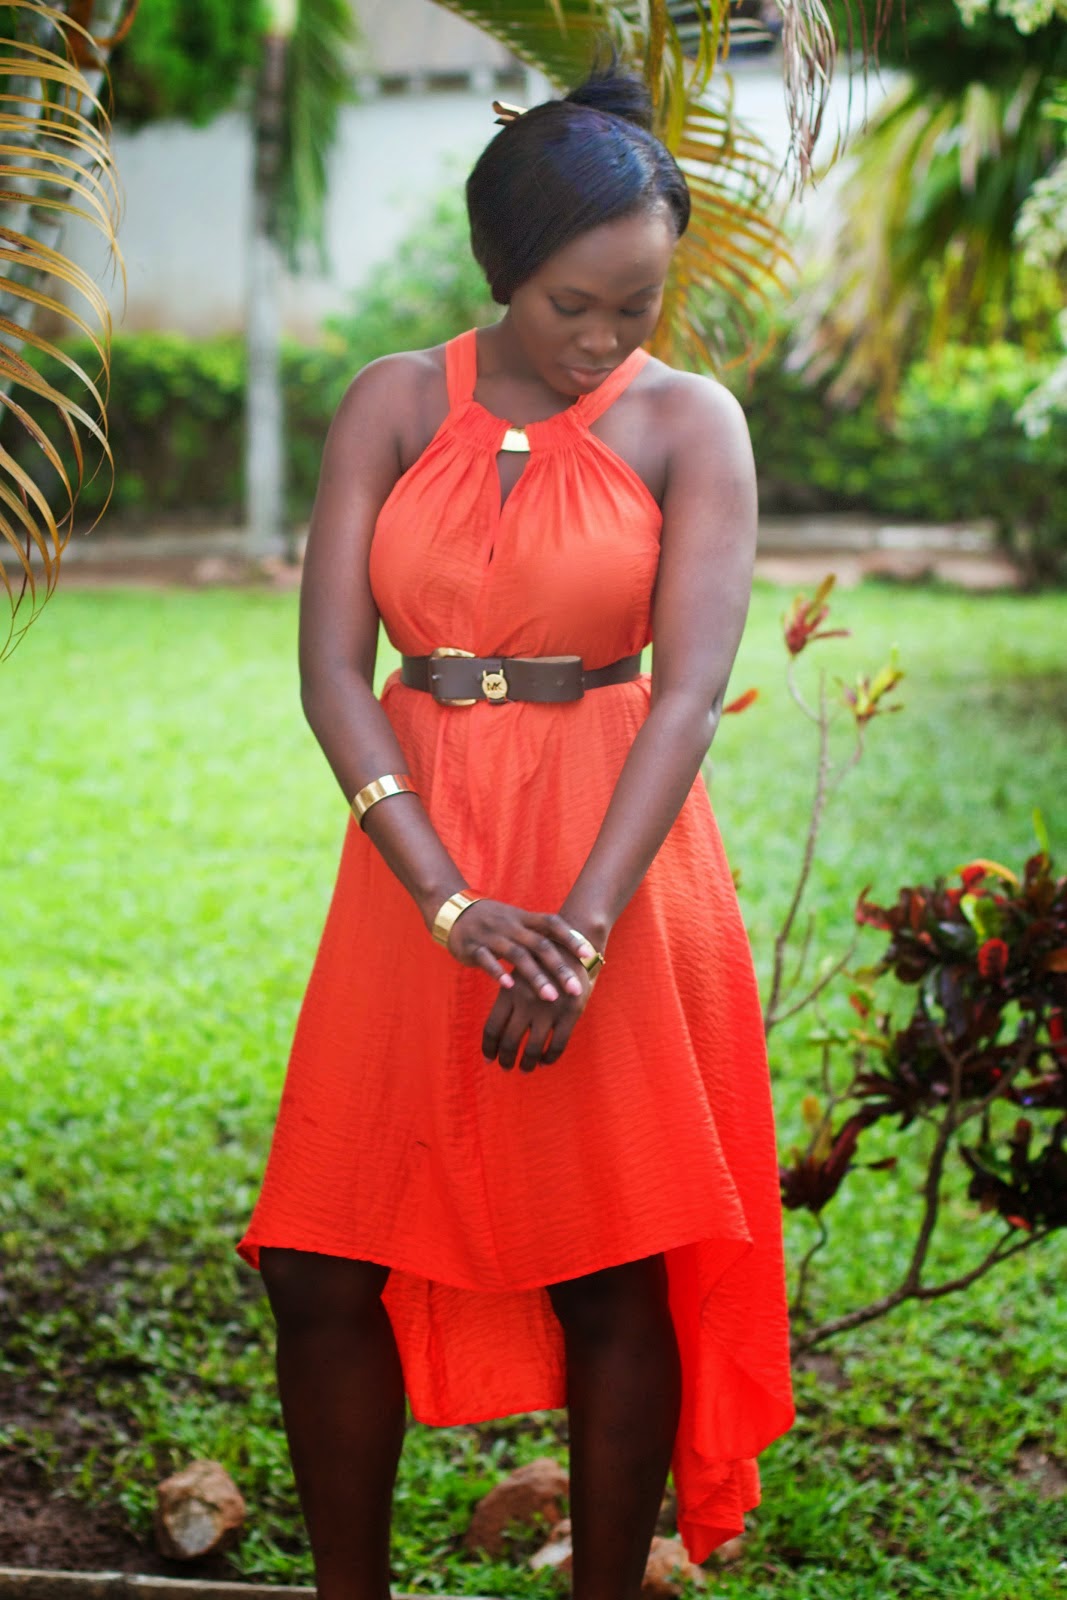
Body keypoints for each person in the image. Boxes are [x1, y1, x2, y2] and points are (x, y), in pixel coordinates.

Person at [238, 54, 794, 1600]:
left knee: (611, 1264)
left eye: (638, 304)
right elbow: (331, 675)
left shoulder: (691, 423)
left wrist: (578, 935)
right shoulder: (391, 401)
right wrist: (445, 899)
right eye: (572, 305)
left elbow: (689, 696)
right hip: (410, 865)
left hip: (608, 859)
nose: (604, 338)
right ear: (502, 266)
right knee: (321, 1259)